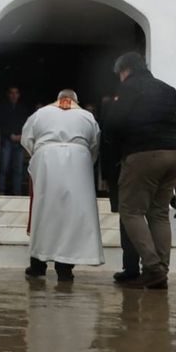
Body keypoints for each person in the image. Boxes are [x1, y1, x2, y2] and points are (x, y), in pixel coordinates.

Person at [103, 51, 176, 290]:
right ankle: (161, 270)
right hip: (174, 155)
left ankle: (152, 266)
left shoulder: (129, 88)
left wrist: (113, 154)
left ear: (124, 70)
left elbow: (113, 124)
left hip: (143, 154)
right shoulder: (168, 89)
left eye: (119, 74)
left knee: (130, 211)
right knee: (159, 213)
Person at [20, 89, 104, 281]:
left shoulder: (41, 113)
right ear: (76, 101)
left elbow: (27, 138)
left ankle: (38, 265)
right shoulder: (87, 116)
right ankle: (65, 268)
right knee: (72, 215)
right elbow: (94, 144)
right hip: (78, 161)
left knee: (44, 210)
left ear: (57, 99)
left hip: (47, 160)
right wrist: (83, 159)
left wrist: (41, 153)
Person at [99, 94, 141, 285]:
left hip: (123, 175)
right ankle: (138, 266)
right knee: (134, 219)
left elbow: (106, 150)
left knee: (128, 219)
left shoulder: (111, 123)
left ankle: (132, 267)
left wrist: (107, 177)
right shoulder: (137, 119)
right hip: (134, 174)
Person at [0, 86, 28, 196]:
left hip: (19, 141)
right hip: (7, 140)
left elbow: (27, 124)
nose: (14, 95)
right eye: (11, 93)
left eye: (16, 93)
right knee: (3, 168)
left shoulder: (23, 108)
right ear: (8, 94)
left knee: (18, 169)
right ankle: (1, 191)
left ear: (19, 95)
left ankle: (17, 192)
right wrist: (10, 135)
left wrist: (21, 136)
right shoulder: (2, 108)